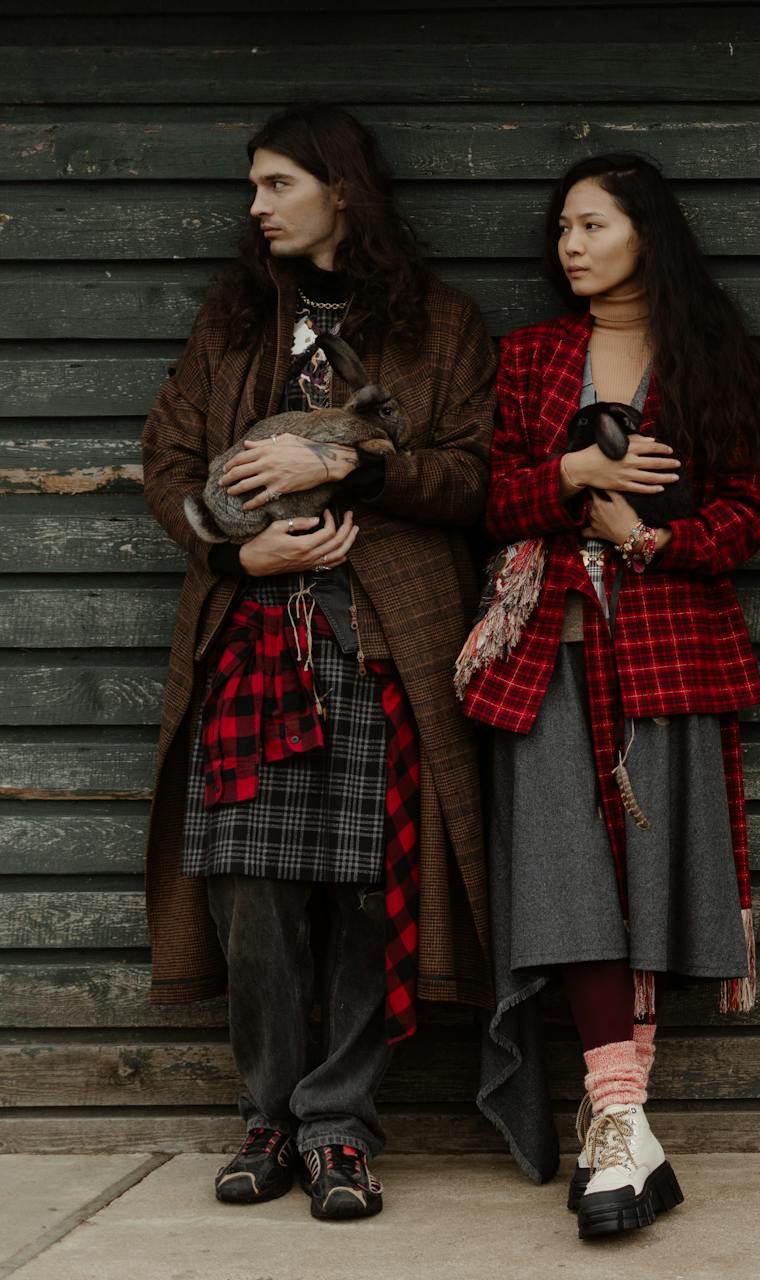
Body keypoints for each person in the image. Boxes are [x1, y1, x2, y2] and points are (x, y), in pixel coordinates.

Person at [139, 104, 495, 1220]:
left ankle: (341, 1127)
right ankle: (269, 1118)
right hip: (250, 639)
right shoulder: (237, 319)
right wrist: (239, 548)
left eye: (276, 184)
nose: (257, 207)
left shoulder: (439, 325)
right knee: (252, 891)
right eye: (254, 187)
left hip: (379, 635)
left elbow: (477, 473)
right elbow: (168, 458)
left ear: (341, 190)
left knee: (361, 890)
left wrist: (347, 462)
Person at [463, 152, 760, 1241]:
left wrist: (652, 538)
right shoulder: (530, 356)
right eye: (561, 226)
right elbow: (486, 495)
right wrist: (569, 482)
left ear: (646, 231)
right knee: (568, 874)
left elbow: (751, 504)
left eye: (592, 224)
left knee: (648, 876)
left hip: (669, 645)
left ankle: (618, 1127)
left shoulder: (708, 355)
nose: (570, 244)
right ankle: (621, 1122)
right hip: (546, 650)